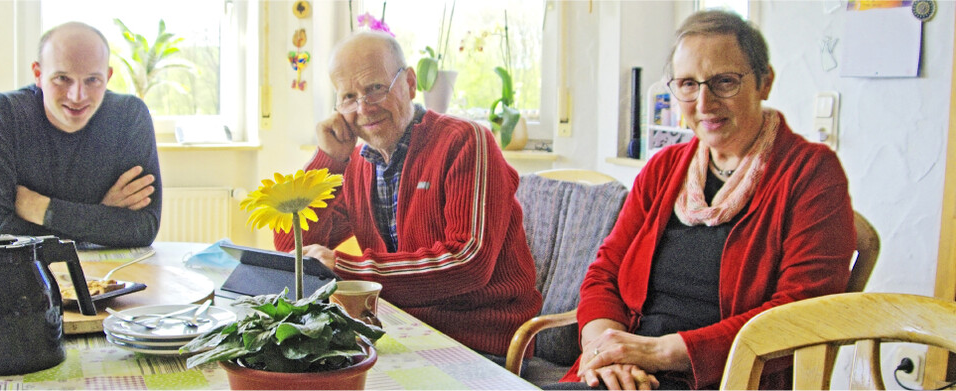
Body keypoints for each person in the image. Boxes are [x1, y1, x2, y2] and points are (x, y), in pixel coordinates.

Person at [552, 10, 855, 390]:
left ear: (765, 82)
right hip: (629, 374)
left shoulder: (810, 173)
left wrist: (660, 352)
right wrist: (606, 351)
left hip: (730, 377)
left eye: (724, 82)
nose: (704, 101)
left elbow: (801, 310)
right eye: (688, 84)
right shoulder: (664, 168)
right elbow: (604, 273)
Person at [274, 31, 543, 360]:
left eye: (375, 88)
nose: (363, 108)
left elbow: (468, 262)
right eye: (348, 97)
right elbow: (293, 248)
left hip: (483, 345)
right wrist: (330, 161)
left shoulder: (467, 142)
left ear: (411, 83)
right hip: (400, 332)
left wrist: (343, 269)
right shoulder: (359, 164)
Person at [0, 22, 161, 248]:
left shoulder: (130, 116)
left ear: (107, 77)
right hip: (24, 274)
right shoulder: (1, 115)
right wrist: (100, 218)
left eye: (92, 80)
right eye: (62, 78)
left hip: (110, 275)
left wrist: (42, 209)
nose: (77, 96)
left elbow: (143, 228)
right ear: (38, 74)